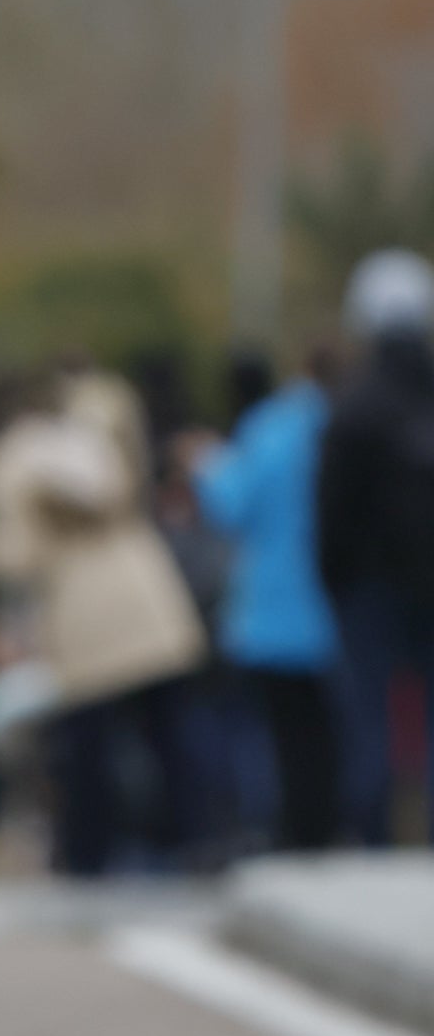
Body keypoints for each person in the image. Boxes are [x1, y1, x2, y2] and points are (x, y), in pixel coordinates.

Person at [0, 364, 206, 879]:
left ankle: (87, 856)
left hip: (85, 618)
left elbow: (23, 554)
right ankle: (191, 844)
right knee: (169, 736)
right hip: (148, 600)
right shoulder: (81, 442)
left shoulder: (4, 465)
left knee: (84, 748)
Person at [187, 351, 341, 851]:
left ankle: (291, 834)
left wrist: (204, 462)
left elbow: (229, 505)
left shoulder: (271, 427)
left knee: (279, 735)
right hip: (339, 610)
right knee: (331, 733)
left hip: (274, 612)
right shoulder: (343, 421)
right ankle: (332, 829)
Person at [317, 247, 434, 844]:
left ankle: (372, 842)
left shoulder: (355, 404)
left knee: (368, 720)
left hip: (368, 589)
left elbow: (331, 510)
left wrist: (334, 580)